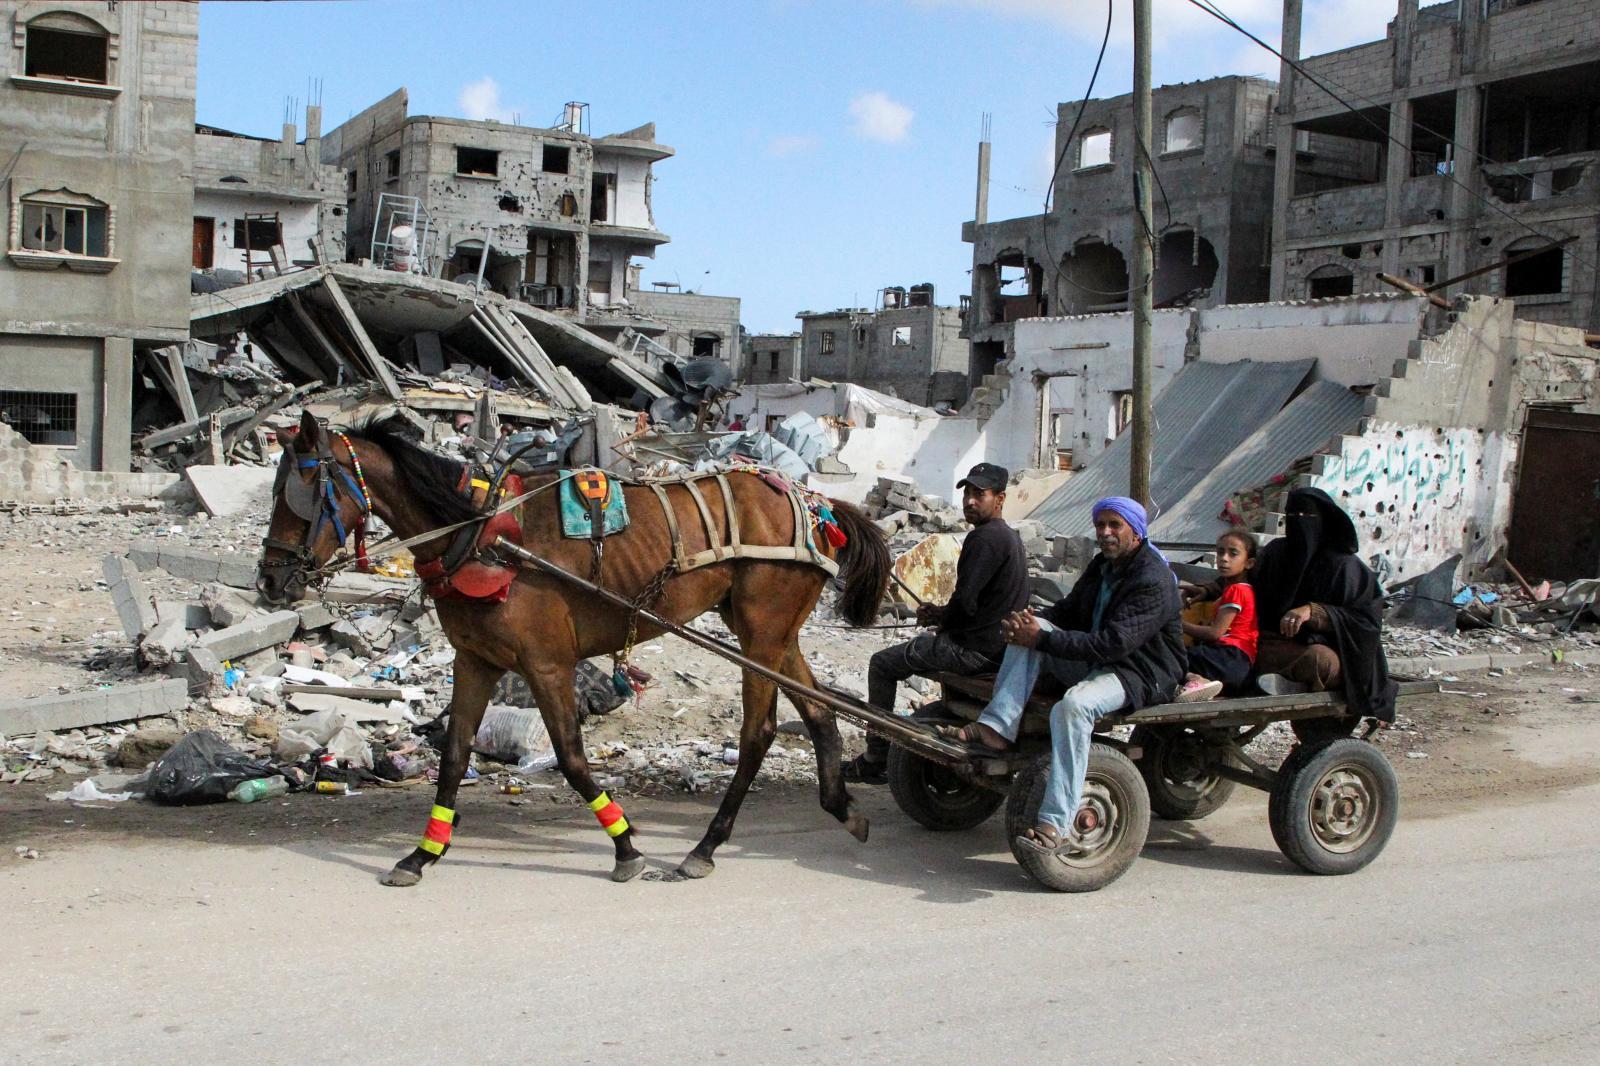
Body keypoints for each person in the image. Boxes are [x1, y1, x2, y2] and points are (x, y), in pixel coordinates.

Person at [941, 497, 1184, 854]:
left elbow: (1115, 644)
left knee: (1071, 708)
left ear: (1136, 530)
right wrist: (1029, 621)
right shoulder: (1104, 565)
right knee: (1033, 628)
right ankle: (998, 727)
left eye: (1114, 525)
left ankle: (1057, 823)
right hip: (1101, 657)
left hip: (1139, 670)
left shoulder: (1152, 579)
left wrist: (1041, 638)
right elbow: (1069, 612)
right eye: (1101, 525)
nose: (1105, 533)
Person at [842, 463, 1028, 785]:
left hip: (973, 652)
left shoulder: (983, 539)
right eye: (967, 493)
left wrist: (940, 620)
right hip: (997, 648)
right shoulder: (1009, 537)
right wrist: (941, 615)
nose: (970, 501)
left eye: (979, 494)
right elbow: (975, 604)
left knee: (881, 664)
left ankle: (875, 756)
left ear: (1000, 498)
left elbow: (965, 601)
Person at [1252, 486, 1398, 722]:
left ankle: (1294, 683)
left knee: (1320, 660)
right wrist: (1208, 589)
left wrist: (1314, 611)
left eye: (1306, 517)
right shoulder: (1276, 553)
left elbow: (1366, 621)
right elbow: (1248, 579)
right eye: (1292, 516)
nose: (1298, 523)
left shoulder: (1344, 567)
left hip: (1324, 649)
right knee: (1240, 649)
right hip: (1274, 640)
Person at [1177, 530, 1259, 699]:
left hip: (1229, 656)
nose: (1224, 558)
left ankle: (1197, 680)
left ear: (1249, 563)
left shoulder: (1236, 589)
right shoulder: (1238, 589)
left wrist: (1177, 624)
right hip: (1237, 661)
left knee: (1174, 654)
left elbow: (1215, 633)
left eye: (1233, 554)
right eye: (1221, 552)